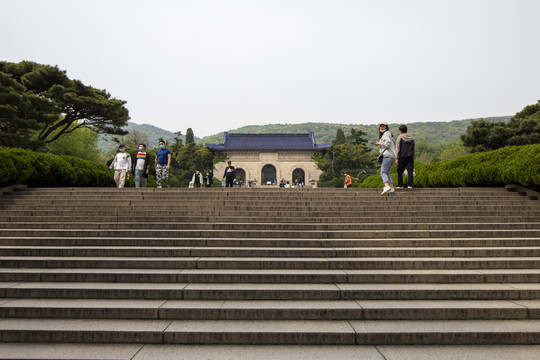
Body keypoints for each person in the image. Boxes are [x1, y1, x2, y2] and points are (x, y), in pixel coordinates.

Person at [374, 122, 396, 195]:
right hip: (392, 156)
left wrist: (380, 144)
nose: (382, 127)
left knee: (383, 172)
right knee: (387, 173)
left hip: (388, 155)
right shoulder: (387, 134)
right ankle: (391, 187)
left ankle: (386, 186)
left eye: (383, 126)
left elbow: (388, 143)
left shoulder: (386, 133)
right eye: (381, 126)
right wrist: (380, 145)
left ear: (386, 127)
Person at [395, 125, 415, 189]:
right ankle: (409, 185)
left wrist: (397, 158)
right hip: (410, 157)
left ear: (400, 131)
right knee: (410, 172)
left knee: (399, 171)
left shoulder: (400, 137)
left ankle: (400, 185)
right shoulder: (412, 137)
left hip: (402, 156)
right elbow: (413, 148)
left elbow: (398, 148)